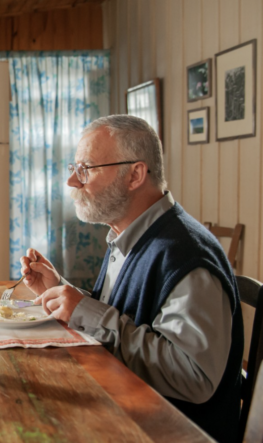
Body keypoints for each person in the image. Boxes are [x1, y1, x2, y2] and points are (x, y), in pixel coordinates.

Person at [20, 115, 243, 443]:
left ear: (135, 174)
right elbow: (123, 315)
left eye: (86, 168)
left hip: (162, 432)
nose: (72, 181)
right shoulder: (129, 235)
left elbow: (194, 377)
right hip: (121, 412)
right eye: (74, 168)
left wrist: (84, 311)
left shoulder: (187, 256)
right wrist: (61, 290)